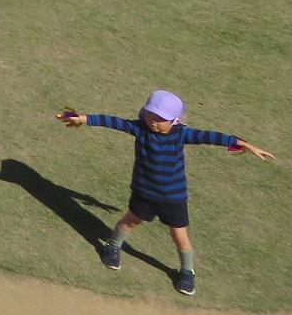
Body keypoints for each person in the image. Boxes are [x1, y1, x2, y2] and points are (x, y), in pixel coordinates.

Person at [56, 89, 275, 298]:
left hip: (174, 198)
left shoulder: (182, 135)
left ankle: (187, 272)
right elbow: (113, 122)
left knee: (180, 236)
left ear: (173, 120)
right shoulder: (139, 128)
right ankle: (112, 247)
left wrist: (246, 145)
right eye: (150, 113)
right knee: (130, 221)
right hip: (144, 193)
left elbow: (213, 137)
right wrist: (82, 118)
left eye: (159, 117)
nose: (153, 119)